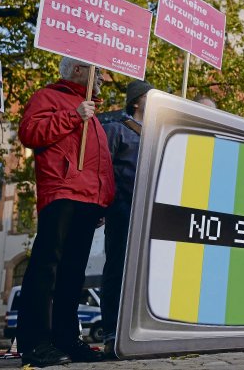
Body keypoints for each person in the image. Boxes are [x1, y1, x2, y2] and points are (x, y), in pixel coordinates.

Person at [16, 57, 115, 367]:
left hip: (88, 200)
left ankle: (66, 339)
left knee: (73, 275)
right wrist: (73, 116)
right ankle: (35, 343)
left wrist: (103, 199)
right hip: (61, 192)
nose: (102, 79)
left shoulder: (93, 112)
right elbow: (30, 133)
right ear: (77, 70)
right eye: (97, 71)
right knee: (47, 268)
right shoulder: (48, 97)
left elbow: (101, 163)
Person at [100, 80, 153, 357]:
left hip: (150, 215)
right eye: (149, 95)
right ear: (135, 102)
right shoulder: (116, 131)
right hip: (122, 212)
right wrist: (101, 207)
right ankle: (112, 332)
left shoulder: (159, 135)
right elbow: (103, 172)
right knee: (117, 271)